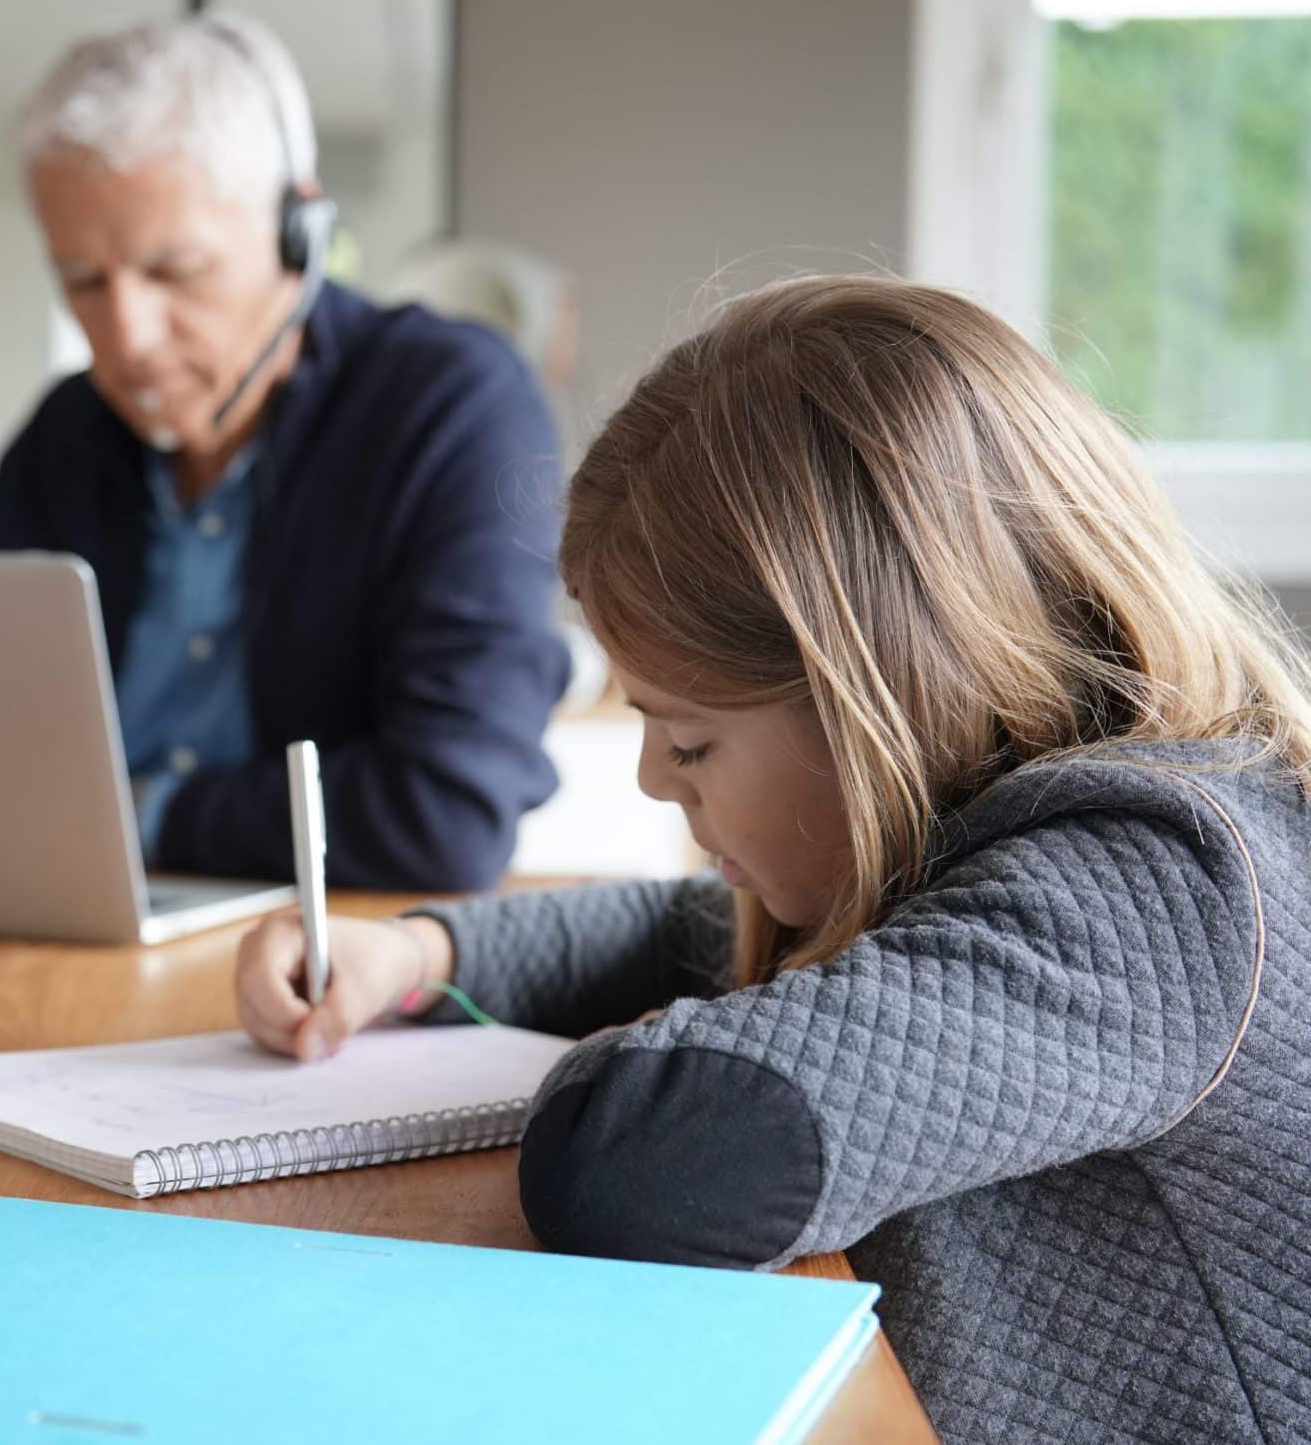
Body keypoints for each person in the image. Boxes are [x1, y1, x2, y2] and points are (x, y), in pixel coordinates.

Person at [234, 276, 1311, 1441]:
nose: (654, 776)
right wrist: (415, 951)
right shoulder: (1016, 850)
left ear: (882, 698)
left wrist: (623, 1058)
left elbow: (642, 1163)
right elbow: (683, 932)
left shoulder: (1162, 891)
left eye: (689, 737)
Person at [0, 13, 570, 892]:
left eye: (175, 270)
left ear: (301, 232)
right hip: (65, 918)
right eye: (83, 280)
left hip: (329, 945)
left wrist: (143, 814)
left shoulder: (453, 406)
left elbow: (448, 810)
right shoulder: (58, 439)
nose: (126, 336)